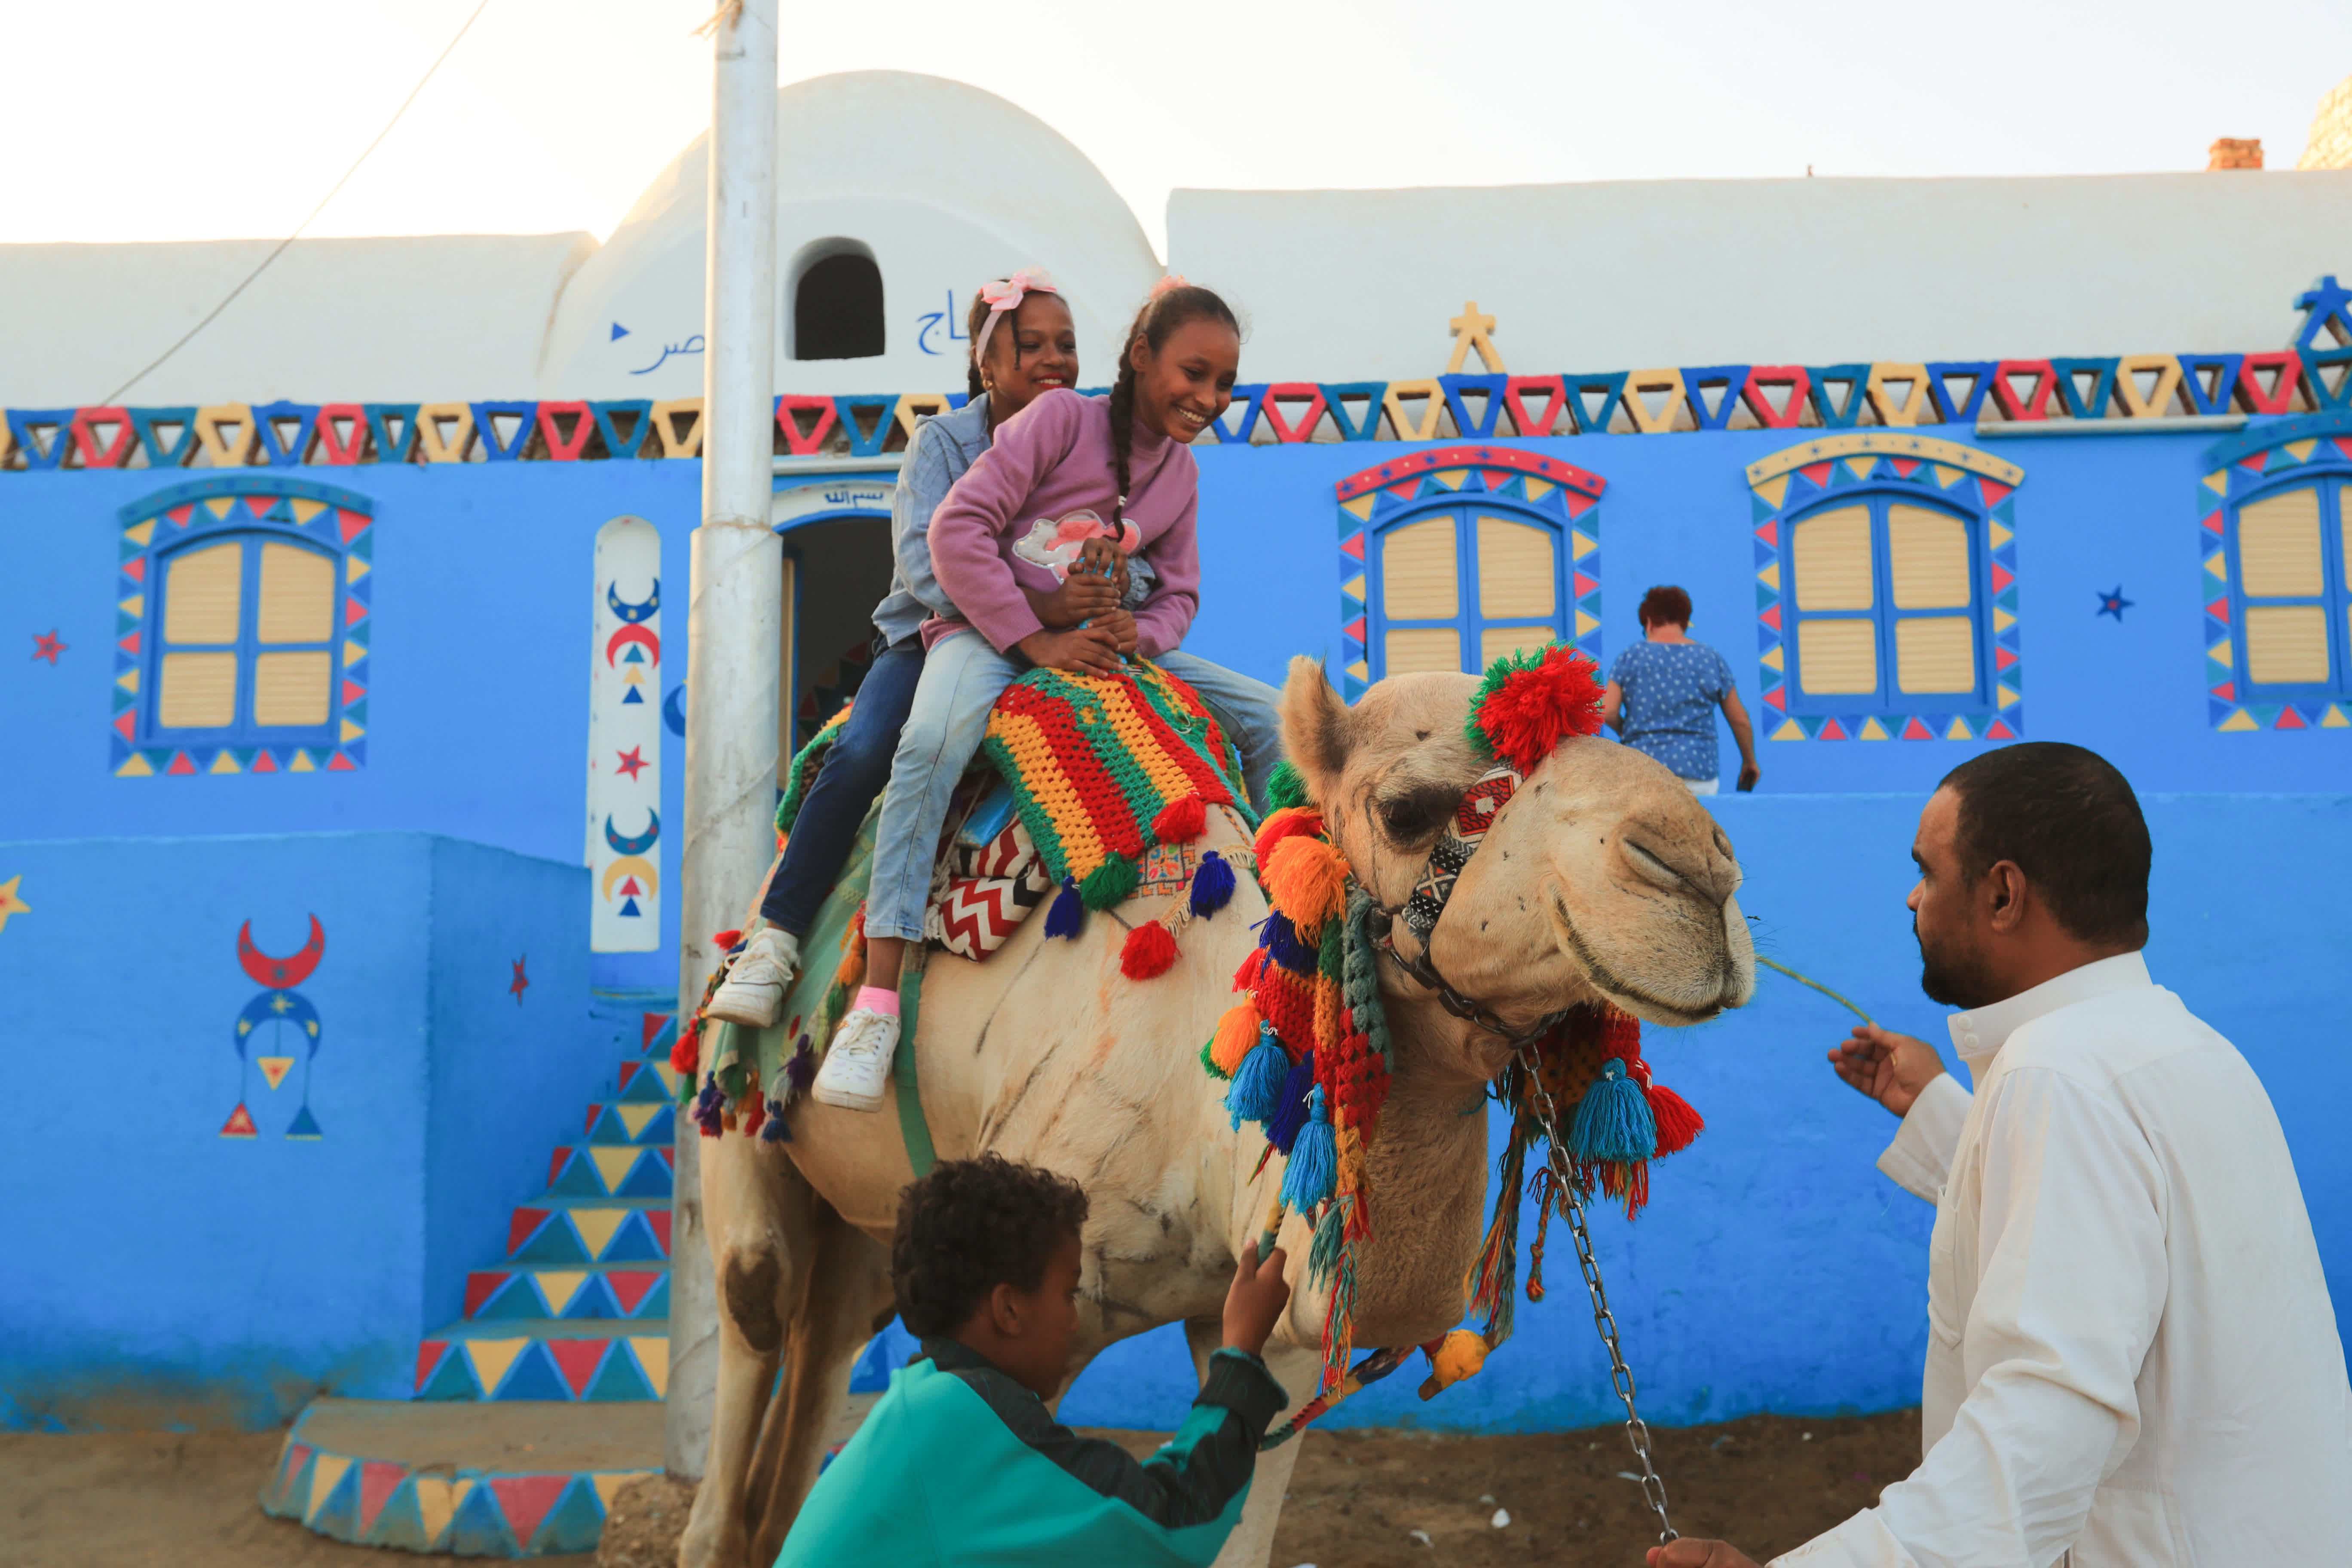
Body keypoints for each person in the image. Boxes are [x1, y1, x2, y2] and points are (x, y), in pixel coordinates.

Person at [1650, 743, 2351, 1568]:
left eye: (1927, 871)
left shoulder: (2057, 1073)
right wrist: (1943, 1110)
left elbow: (2043, 1423)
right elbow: (2108, 1243)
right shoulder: (2182, 1044)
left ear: (2002, 892)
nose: (1912, 899)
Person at [811, 280, 1276, 1114]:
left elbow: (1179, 595)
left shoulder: (1182, 473)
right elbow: (956, 533)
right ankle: (877, 998)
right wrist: (1036, 639)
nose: (1207, 399)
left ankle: (1274, 936)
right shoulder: (1062, 421)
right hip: (988, 640)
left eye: (1224, 384)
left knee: (1269, 716)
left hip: (1105, 648)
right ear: (1141, 357)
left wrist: (1142, 635)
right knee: (926, 745)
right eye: (1193, 373)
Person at [776, 1154, 1292, 1567]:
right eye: (1068, 1293)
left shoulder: (928, 1400)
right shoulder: (960, 1421)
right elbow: (1172, 1524)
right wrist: (1242, 1354)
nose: (1073, 1319)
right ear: (1009, 1309)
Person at [1601, 585, 1758, 794]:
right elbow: (1740, 720)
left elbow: (1607, 711)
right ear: (1685, 621)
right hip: (1698, 774)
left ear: (1648, 623)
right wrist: (1749, 761)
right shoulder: (1709, 658)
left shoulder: (1631, 657)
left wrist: (1625, 729)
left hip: (1642, 773)